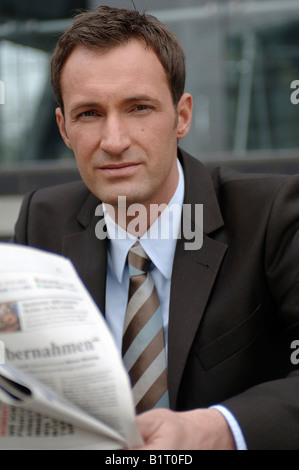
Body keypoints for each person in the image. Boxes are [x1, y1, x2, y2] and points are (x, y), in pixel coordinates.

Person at [13, 6, 299, 450]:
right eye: (89, 113)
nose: (114, 141)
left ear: (181, 116)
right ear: (63, 128)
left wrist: (217, 429)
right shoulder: (41, 219)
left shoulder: (272, 215)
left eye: (138, 108)